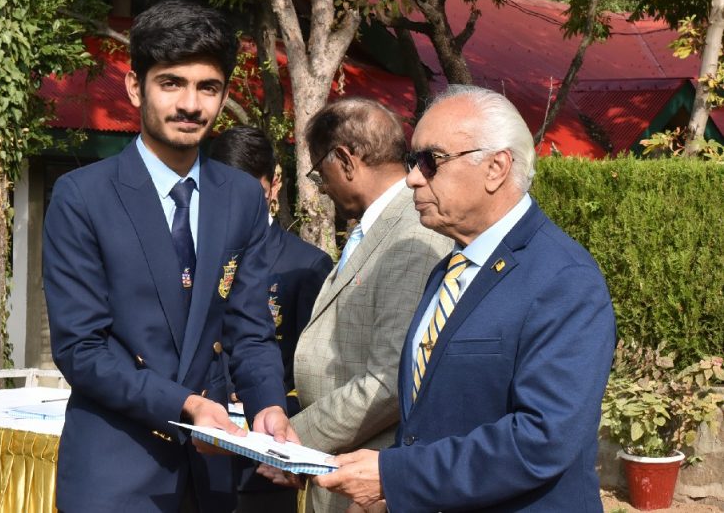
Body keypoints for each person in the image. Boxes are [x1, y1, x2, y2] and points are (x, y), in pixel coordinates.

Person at [312, 85, 617, 512]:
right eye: (412, 161)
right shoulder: (449, 269)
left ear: (495, 168)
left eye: (430, 161)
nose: (413, 178)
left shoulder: (564, 279)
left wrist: (396, 476)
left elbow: (542, 439)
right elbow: (430, 419)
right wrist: (395, 496)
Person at [42, 1, 296, 512]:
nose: (190, 104)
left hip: (214, 472)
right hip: (115, 473)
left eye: (208, 87)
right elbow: (82, 349)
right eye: (172, 83)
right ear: (136, 87)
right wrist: (185, 404)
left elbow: (249, 329)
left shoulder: (240, 197)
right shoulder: (82, 196)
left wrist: (269, 404)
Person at [259, 97, 453, 513]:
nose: (321, 186)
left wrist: (294, 438)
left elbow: (391, 378)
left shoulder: (412, 233)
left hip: (368, 481)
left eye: (319, 172)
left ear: (346, 160)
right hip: (339, 465)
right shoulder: (378, 226)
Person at [207, 125, 333, 512]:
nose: (238, 208)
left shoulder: (307, 265)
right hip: (201, 456)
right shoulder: (199, 254)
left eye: (251, 194)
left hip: (264, 462)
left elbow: (309, 371)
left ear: (274, 183)